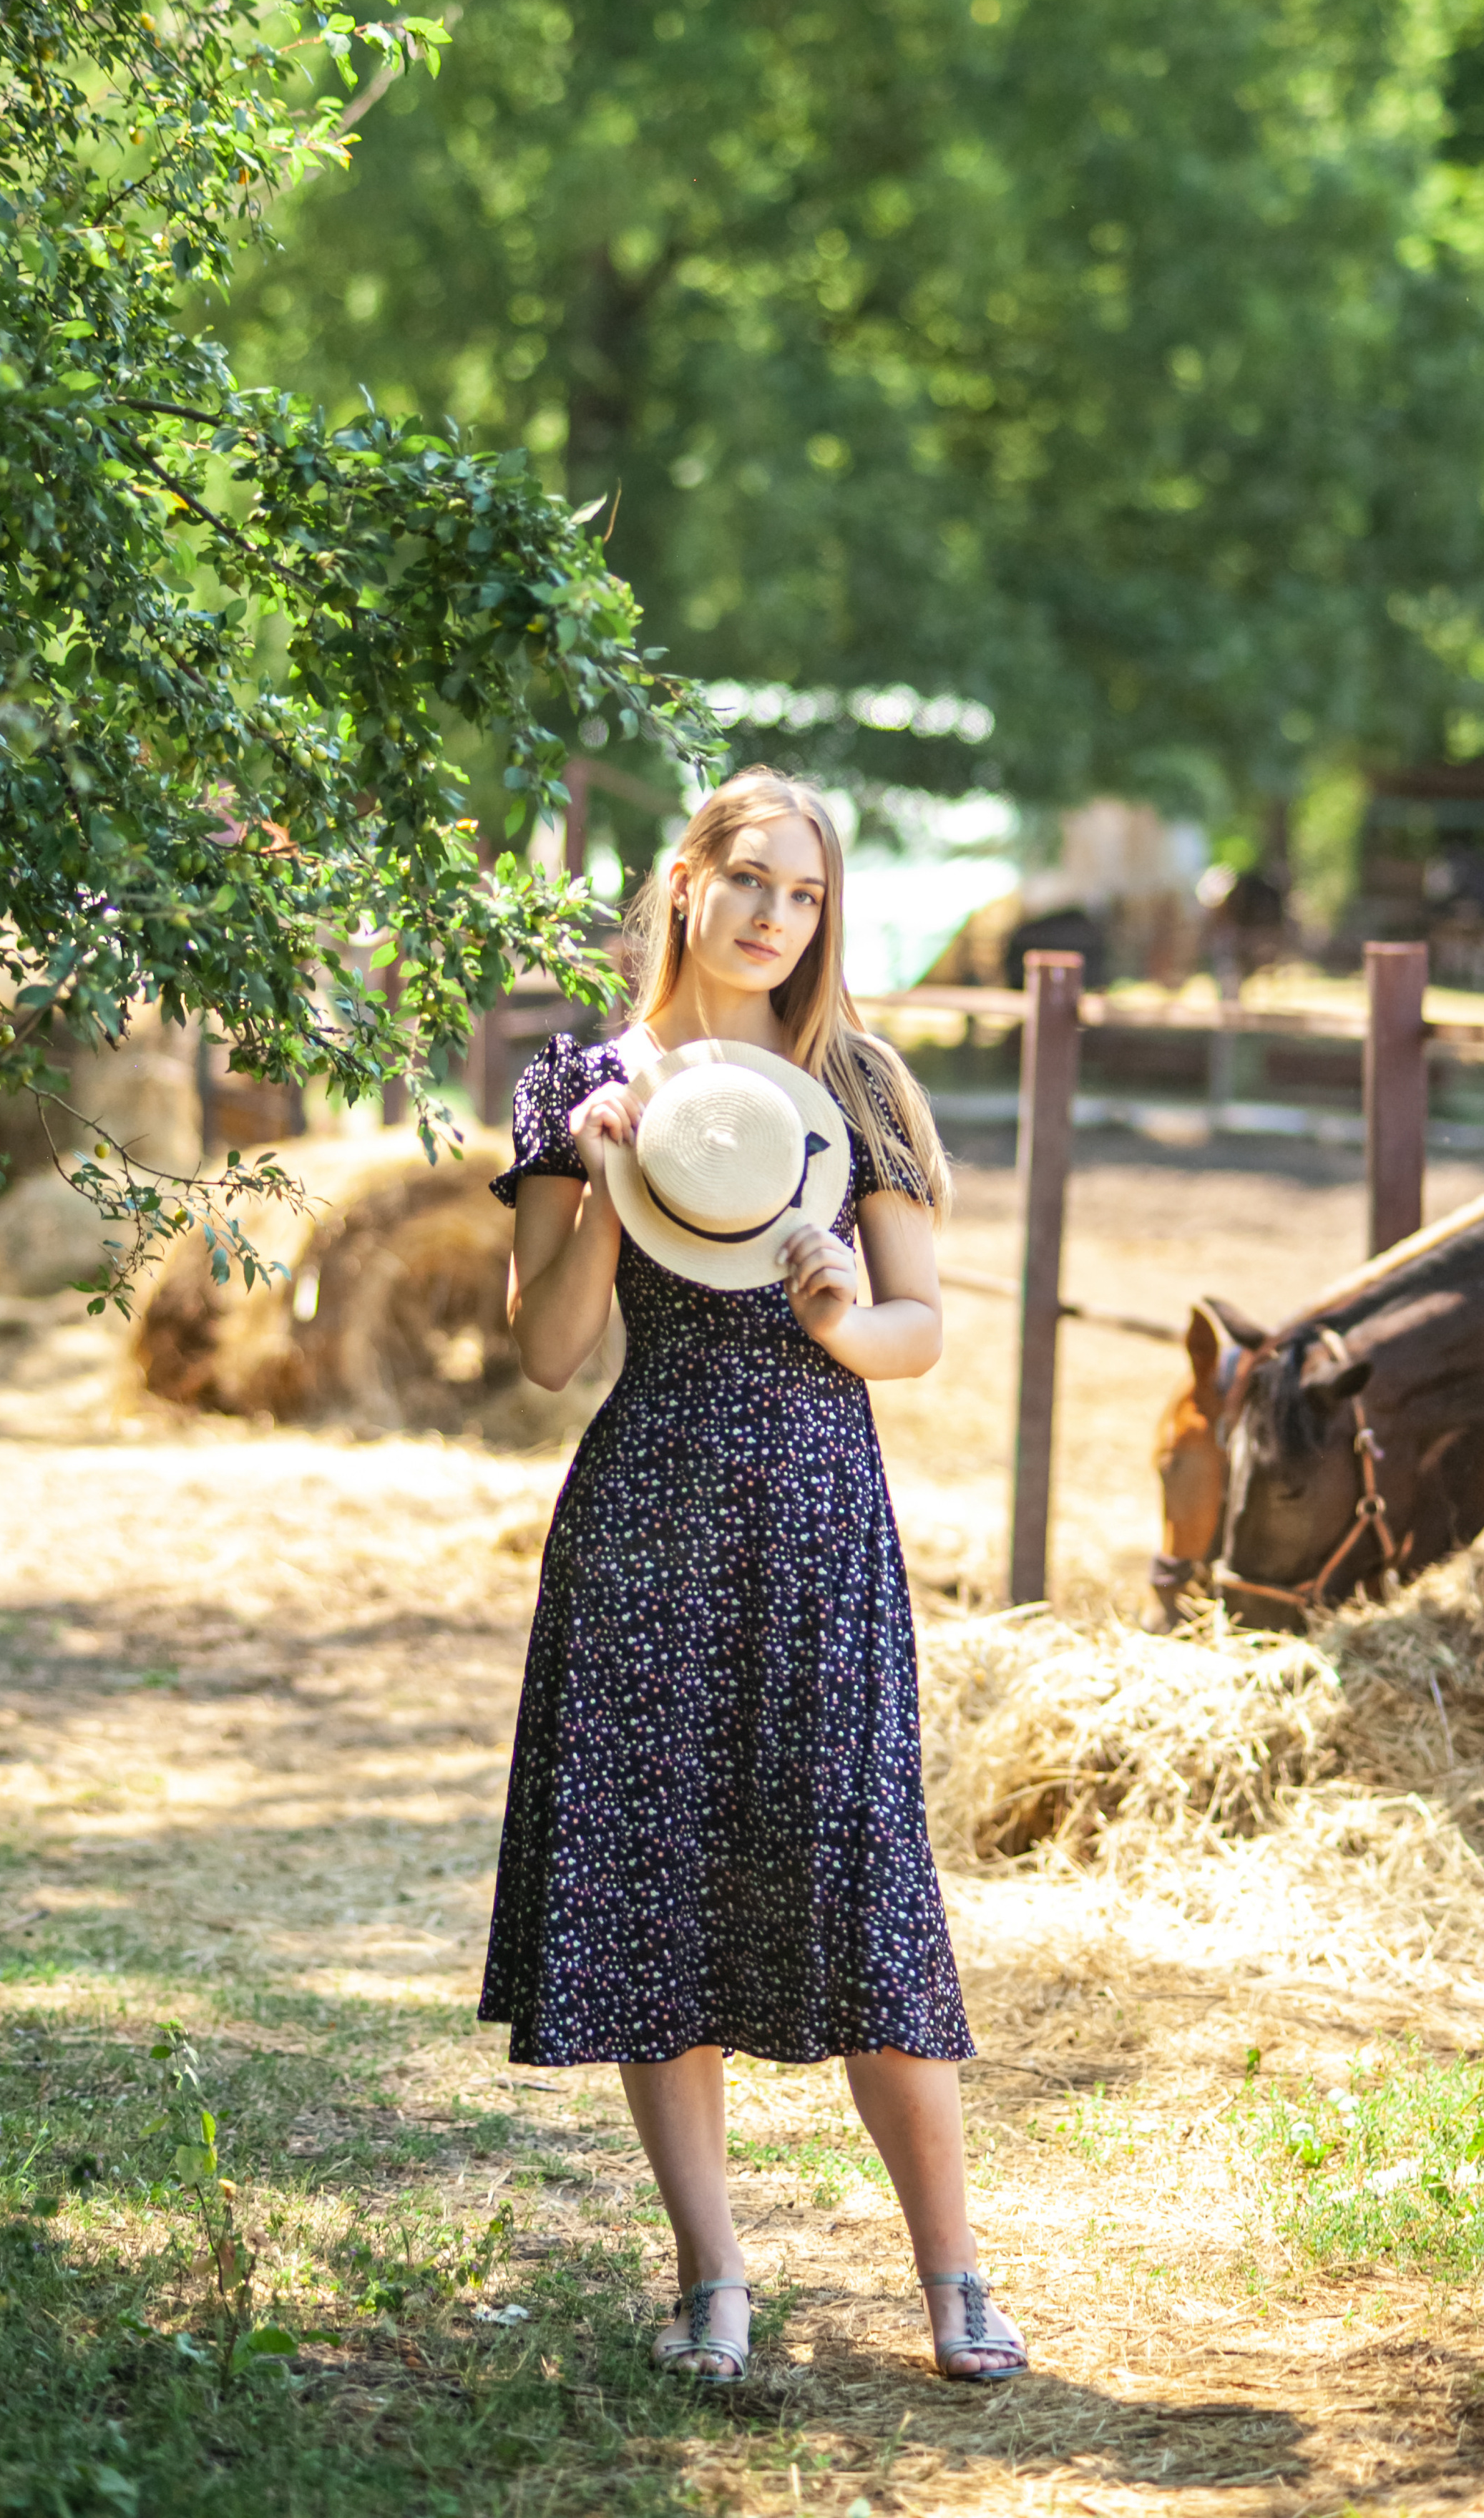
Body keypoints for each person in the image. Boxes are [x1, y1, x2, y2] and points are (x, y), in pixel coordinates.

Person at [481, 767, 1027, 2386]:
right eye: (751, 884)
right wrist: (593, 1183)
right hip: (643, 1511)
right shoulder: (577, 1082)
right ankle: (712, 2279)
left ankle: (954, 2282)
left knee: (859, 1887)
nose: (774, 918)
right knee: (650, 1893)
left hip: (810, 1516)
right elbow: (545, 1356)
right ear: (684, 885)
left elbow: (918, 1332)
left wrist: (844, 1317)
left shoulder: (855, 1083)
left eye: (803, 896)